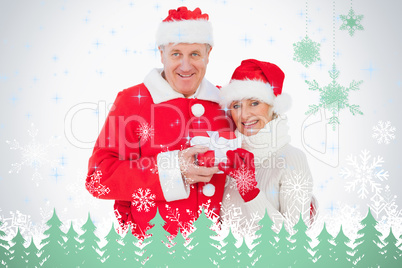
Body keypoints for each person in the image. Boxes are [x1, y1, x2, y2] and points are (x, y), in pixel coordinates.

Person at [85, 6, 233, 238]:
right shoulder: (133, 101)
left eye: (195, 54)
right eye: (176, 54)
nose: (185, 66)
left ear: (208, 54)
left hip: (222, 251)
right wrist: (173, 169)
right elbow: (98, 178)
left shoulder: (228, 104)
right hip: (154, 250)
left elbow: (258, 162)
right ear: (161, 53)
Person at [218, 59, 317, 237]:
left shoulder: (292, 159)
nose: (244, 114)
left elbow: (295, 240)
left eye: (254, 103)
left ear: (274, 106)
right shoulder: (232, 162)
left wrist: (250, 192)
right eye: (236, 105)